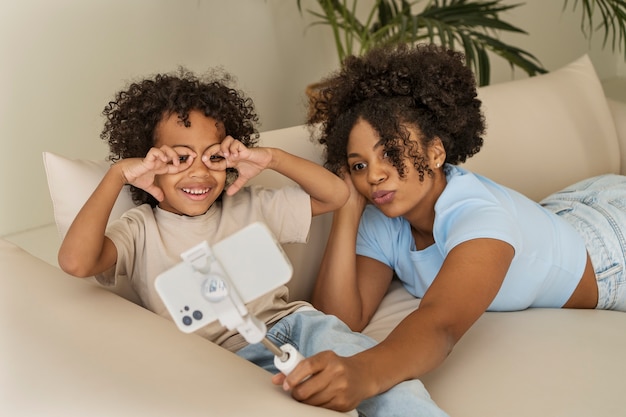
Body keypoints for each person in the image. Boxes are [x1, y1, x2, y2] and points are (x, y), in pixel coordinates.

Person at [58, 67, 449, 417]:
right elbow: (76, 262)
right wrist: (116, 177)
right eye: (179, 158)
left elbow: (336, 195)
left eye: (212, 157)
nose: (198, 172)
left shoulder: (249, 205)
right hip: (222, 362)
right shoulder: (139, 229)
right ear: (150, 163)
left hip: (296, 327)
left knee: (387, 384)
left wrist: (272, 159)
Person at [295, 43, 626, 408]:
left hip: (613, 246)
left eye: (391, 152)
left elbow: (441, 324)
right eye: (358, 165)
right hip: (565, 209)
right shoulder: (384, 220)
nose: (374, 175)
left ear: (436, 153)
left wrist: (364, 372)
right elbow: (339, 319)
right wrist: (346, 207)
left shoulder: (479, 217)